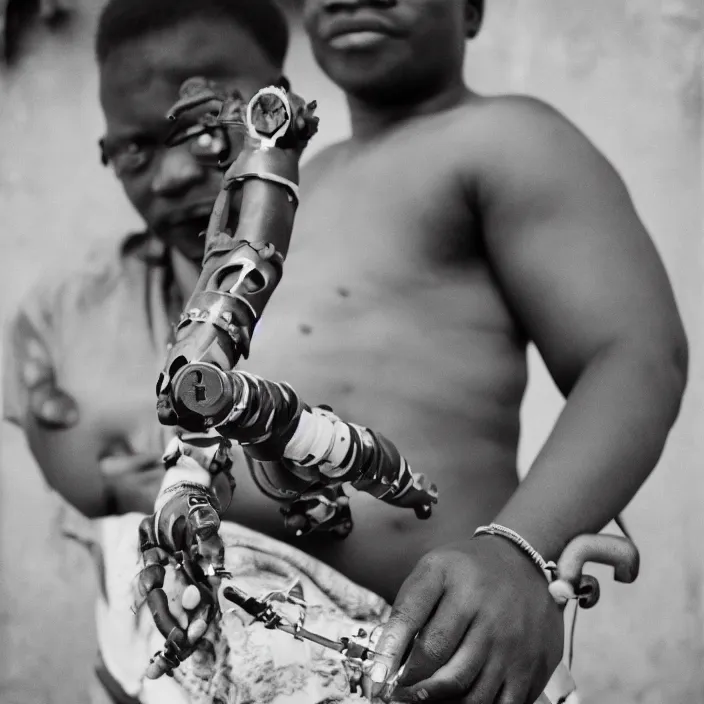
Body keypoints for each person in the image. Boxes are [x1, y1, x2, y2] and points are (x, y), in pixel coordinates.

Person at [3, 0, 688, 703]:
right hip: (234, 642)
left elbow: (634, 354)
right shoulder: (288, 194)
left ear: (474, 9)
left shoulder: (501, 139)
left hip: (419, 656)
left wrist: (520, 549)